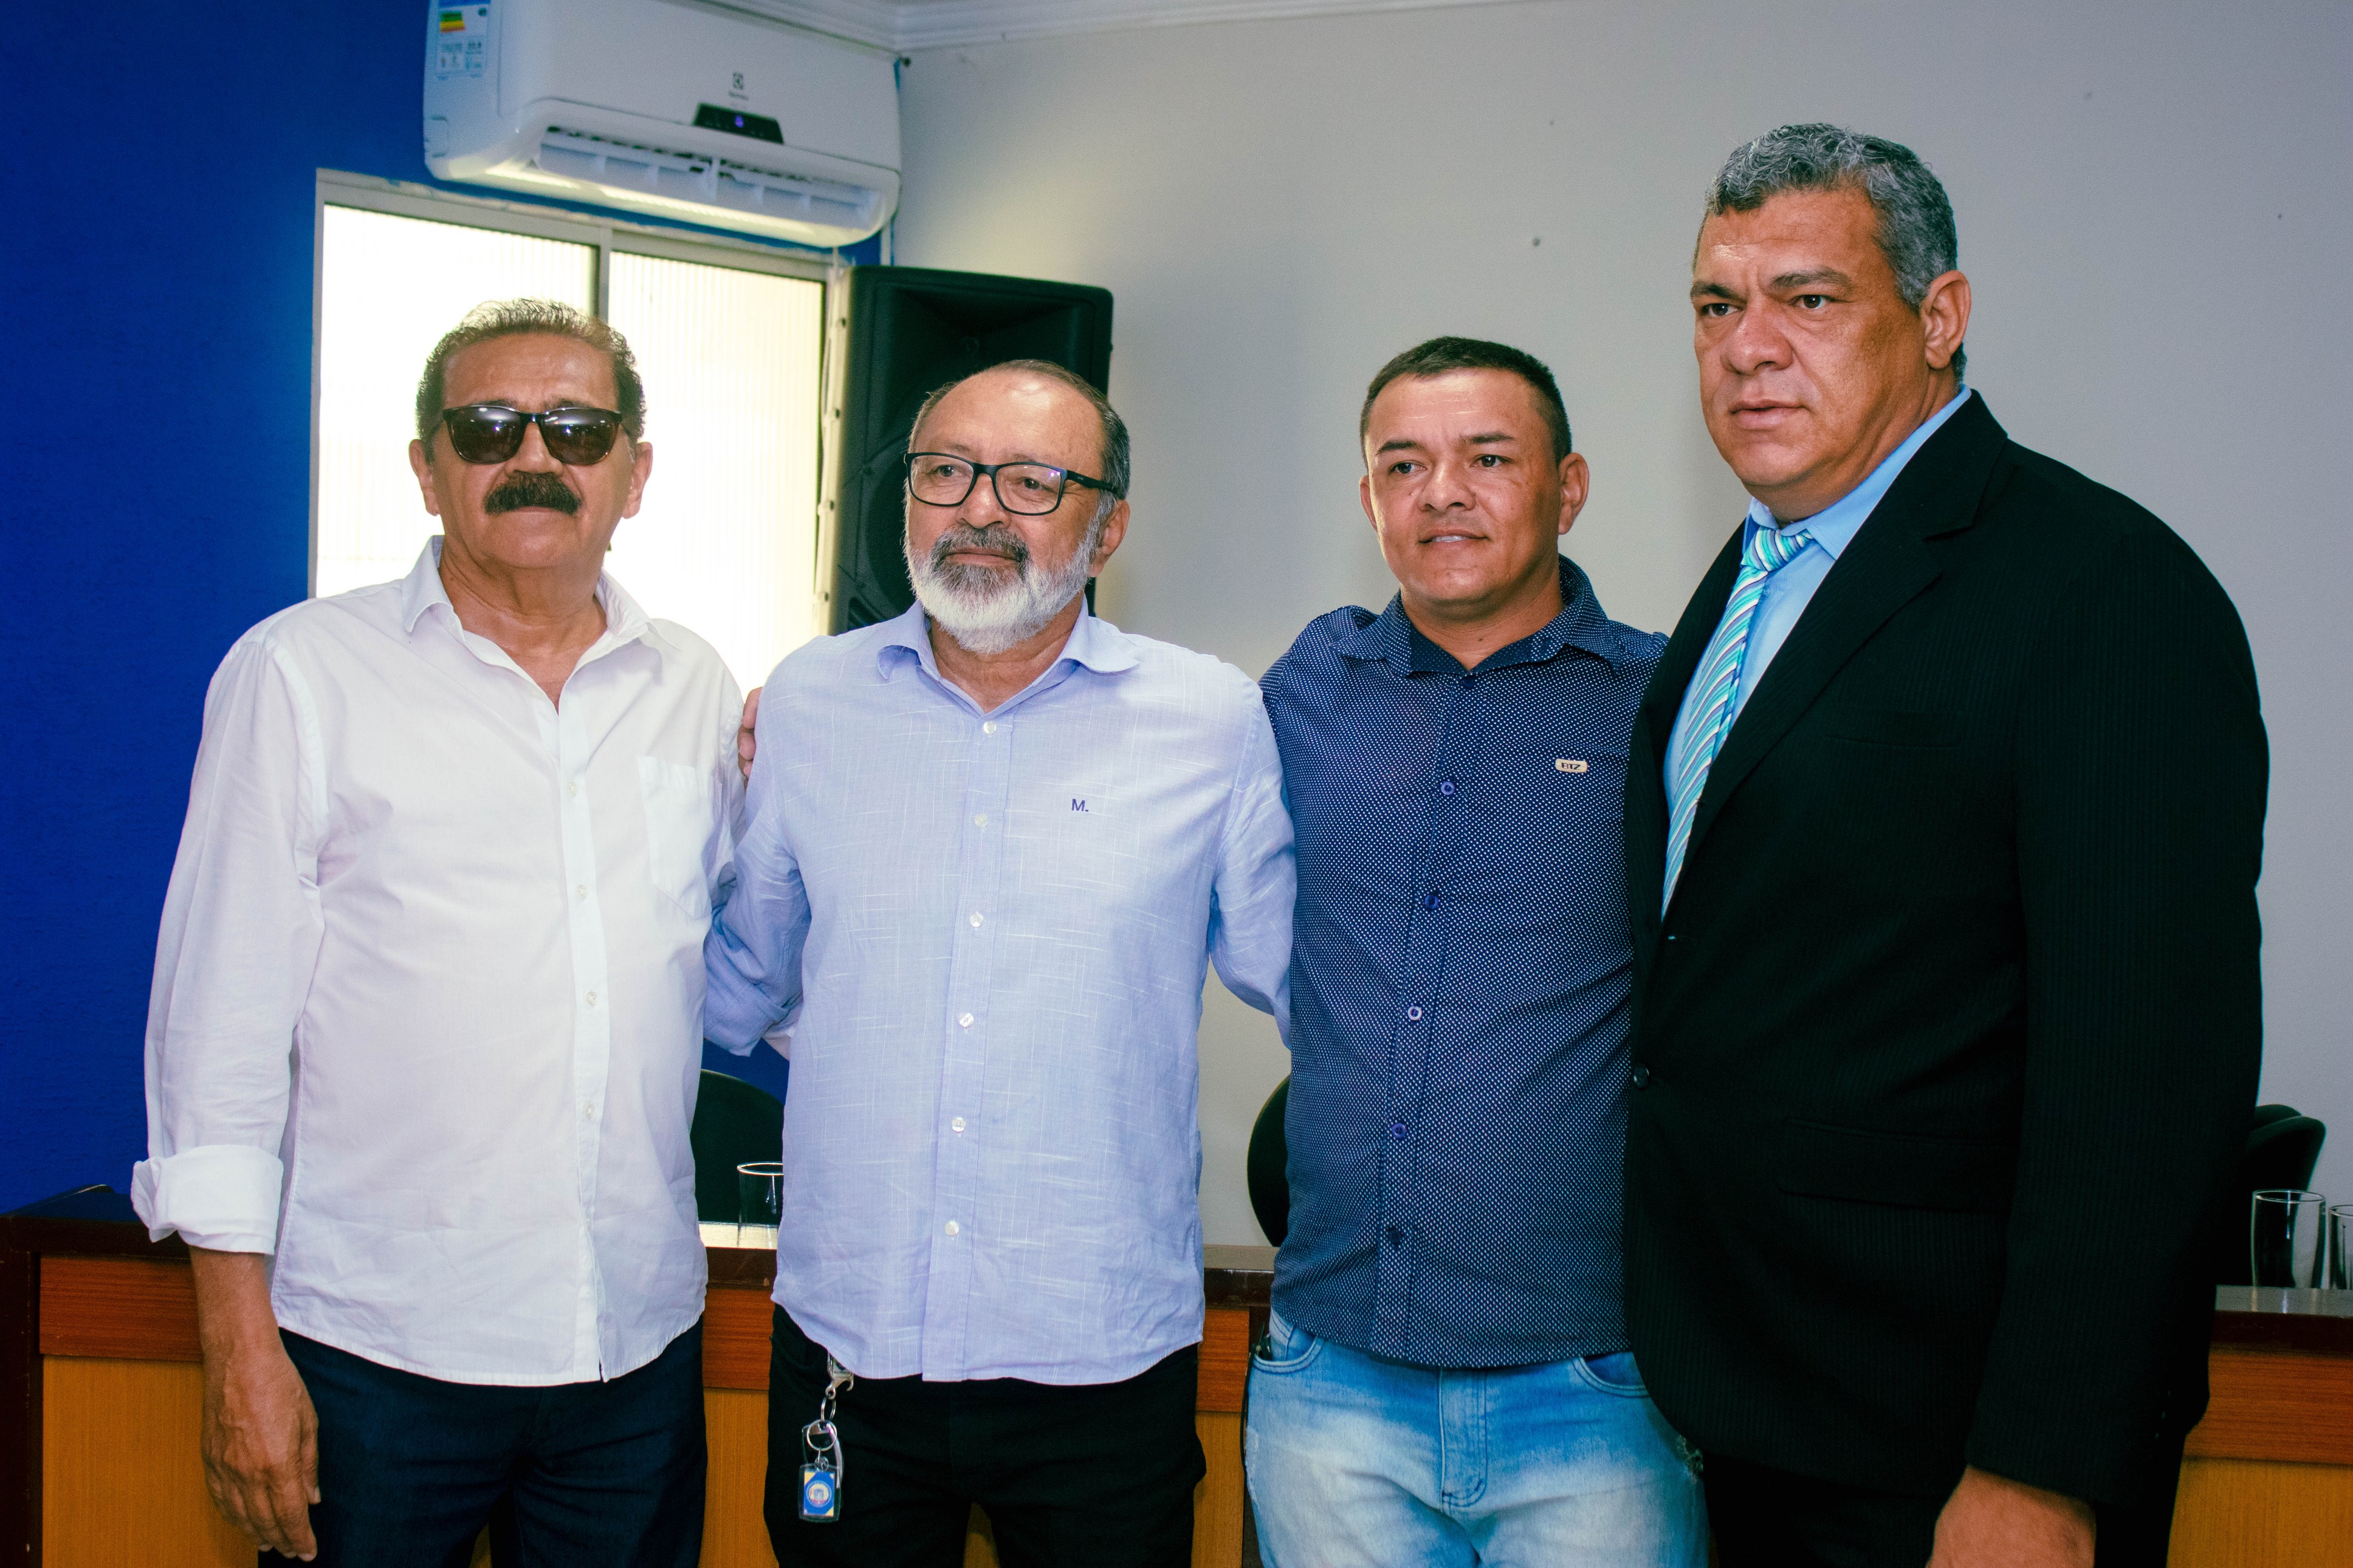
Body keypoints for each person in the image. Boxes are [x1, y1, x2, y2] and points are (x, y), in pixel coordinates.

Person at [1623, 124, 2266, 1566]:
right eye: (1716, 305)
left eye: (1808, 298)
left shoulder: (2101, 588)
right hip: (1743, 1403)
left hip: (1949, 1447)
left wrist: (2042, 1468)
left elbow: (2146, 1082)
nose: (1746, 348)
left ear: (1938, 317)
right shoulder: (1754, 576)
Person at [134, 300, 741, 1566]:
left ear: (635, 473)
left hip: (630, 1354)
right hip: (375, 1359)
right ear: (426, 466)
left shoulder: (694, 687)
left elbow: (742, 968)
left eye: (577, 429)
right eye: (489, 427)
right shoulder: (301, 674)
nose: (536, 455)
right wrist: (238, 1347)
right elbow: (216, 1038)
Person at [704, 360, 1296, 1568]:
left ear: (1107, 527)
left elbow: (1304, 982)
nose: (977, 507)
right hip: (852, 1342)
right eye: (944, 471)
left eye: (1031, 481)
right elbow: (745, 977)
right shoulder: (810, 700)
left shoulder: (1212, 719)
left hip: (1101, 1356)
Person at [1245, 337, 1705, 1567]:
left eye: (1488, 458)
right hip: (1329, 1378)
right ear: (1369, 499)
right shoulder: (1304, 688)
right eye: (1404, 464)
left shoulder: (1664, 705)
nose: (1441, 492)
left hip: (1594, 1384)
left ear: (1568, 487)